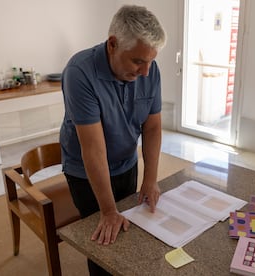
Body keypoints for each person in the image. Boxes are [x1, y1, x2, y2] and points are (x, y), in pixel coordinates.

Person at [59, 5, 166, 275]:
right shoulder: (79, 72)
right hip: (85, 171)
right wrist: (107, 211)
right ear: (113, 44)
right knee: (103, 241)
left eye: (150, 61)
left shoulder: (149, 70)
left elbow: (152, 128)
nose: (145, 72)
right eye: (137, 61)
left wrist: (150, 178)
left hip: (126, 163)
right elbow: (93, 149)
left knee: (131, 232)